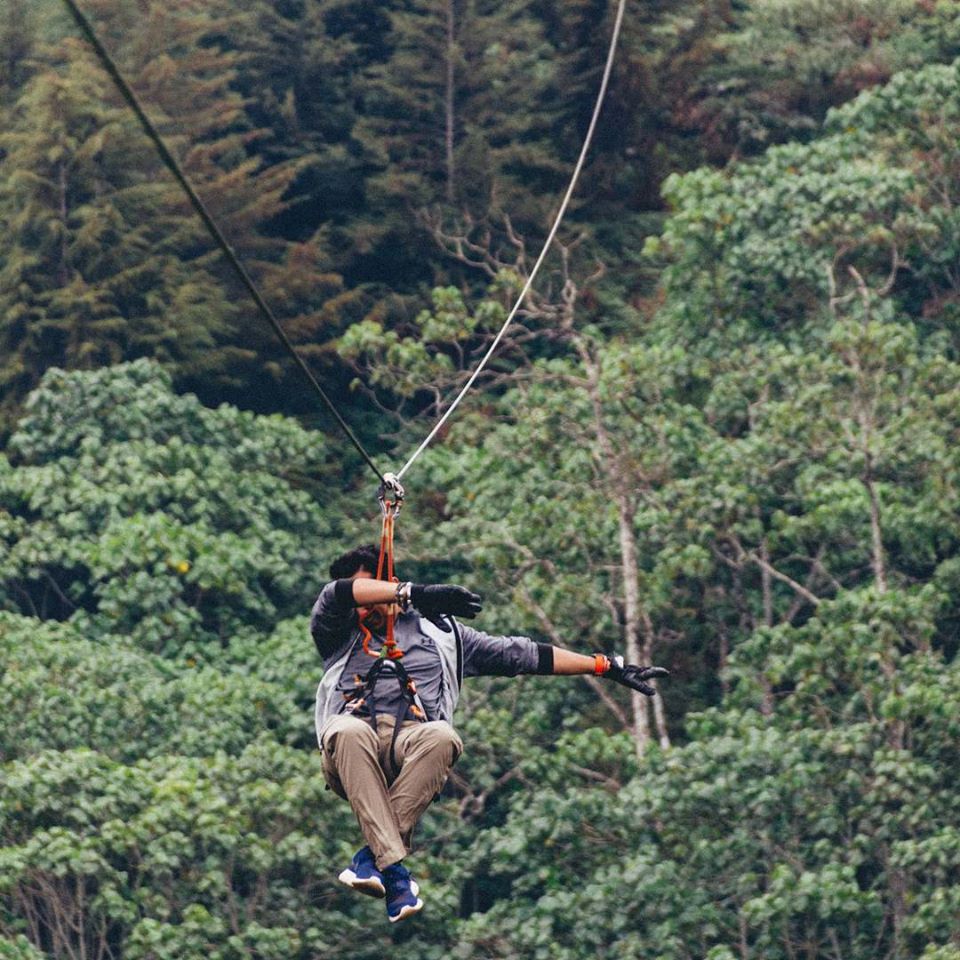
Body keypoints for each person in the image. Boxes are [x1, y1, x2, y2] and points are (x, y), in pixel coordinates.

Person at [311, 544, 669, 923]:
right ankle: (395, 872)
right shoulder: (337, 630)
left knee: (443, 737)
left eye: (371, 592)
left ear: (390, 582)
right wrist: (411, 592)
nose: (364, 606)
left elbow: (525, 655)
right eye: (361, 597)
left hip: (410, 748)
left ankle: (373, 859)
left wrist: (605, 665)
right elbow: (336, 595)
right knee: (350, 731)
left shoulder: (443, 635)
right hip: (352, 749)